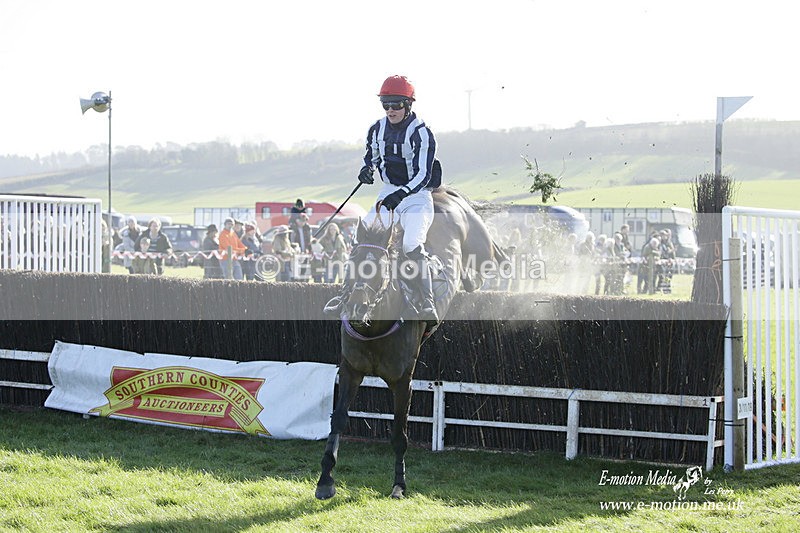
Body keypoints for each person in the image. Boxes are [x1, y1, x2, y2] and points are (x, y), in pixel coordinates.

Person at [330, 74, 442, 322]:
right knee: (363, 241)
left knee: (411, 245)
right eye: (386, 104)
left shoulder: (422, 133)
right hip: (389, 190)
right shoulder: (376, 128)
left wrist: (401, 193)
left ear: (408, 105)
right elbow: (373, 156)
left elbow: (424, 173)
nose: (391, 110)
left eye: (396, 105)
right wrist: (367, 169)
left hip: (417, 196)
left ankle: (427, 302)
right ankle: (345, 294)